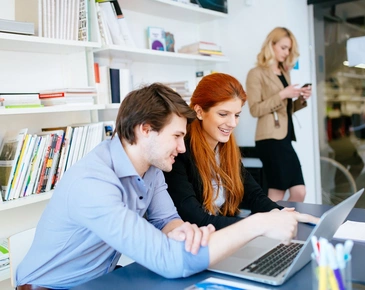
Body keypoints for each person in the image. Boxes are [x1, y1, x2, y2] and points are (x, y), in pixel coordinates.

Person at [16, 83, 317, 290]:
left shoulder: (151, 169)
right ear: (145, 129)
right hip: (52, 286)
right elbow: (170, 261)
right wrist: (260, 224)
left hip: (100, 280)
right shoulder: (93, 183)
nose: (182, 148)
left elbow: (165, 220)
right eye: (175, 137)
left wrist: (180, 230)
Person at [164, 73, 292, 230]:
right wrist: (258, 225)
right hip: (195, 243)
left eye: (237, 115)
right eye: (223, 114)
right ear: (199, 111)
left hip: (222, 237)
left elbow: (254, 195)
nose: (232, 123)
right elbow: (197, 219)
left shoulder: (224, 148)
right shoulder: (179, 152)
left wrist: (281, 213)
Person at [246, 27, 312, 202]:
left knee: (299, 192)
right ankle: (275, 226)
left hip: (285, 137)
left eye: (289, 49)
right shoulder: (256, 73)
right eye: (283, 47)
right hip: (269, 139)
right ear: (271, 45)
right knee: (277, 193)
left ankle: (285, 224)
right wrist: (283, 94)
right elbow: (255, 109)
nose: (287, 52)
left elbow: (285, 110)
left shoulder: (284, 72)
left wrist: (301, 98)